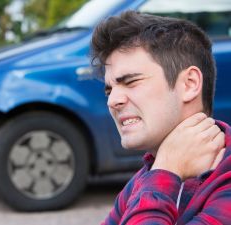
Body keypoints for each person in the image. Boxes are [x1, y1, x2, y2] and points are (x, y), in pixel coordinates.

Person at [91, 11, 231, 224]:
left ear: (189, 84)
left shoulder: (164, 170)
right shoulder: (146, 176)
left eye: (131, 82)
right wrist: (165, 168)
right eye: (109, 90)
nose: (113, 101)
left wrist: (166, 169)